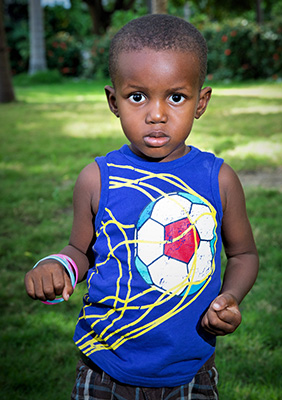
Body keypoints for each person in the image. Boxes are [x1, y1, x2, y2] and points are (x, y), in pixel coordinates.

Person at [24, 14, 259, 400]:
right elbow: (79, 252)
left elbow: (245, 253)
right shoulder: (97, 179)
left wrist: (230, 297)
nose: (156, 114)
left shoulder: (219, 180)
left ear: (201, 102)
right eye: (138, 97)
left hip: (190, 370)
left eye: (176, 97)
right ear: (113, 101)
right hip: (104, 366)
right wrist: (54, 267)